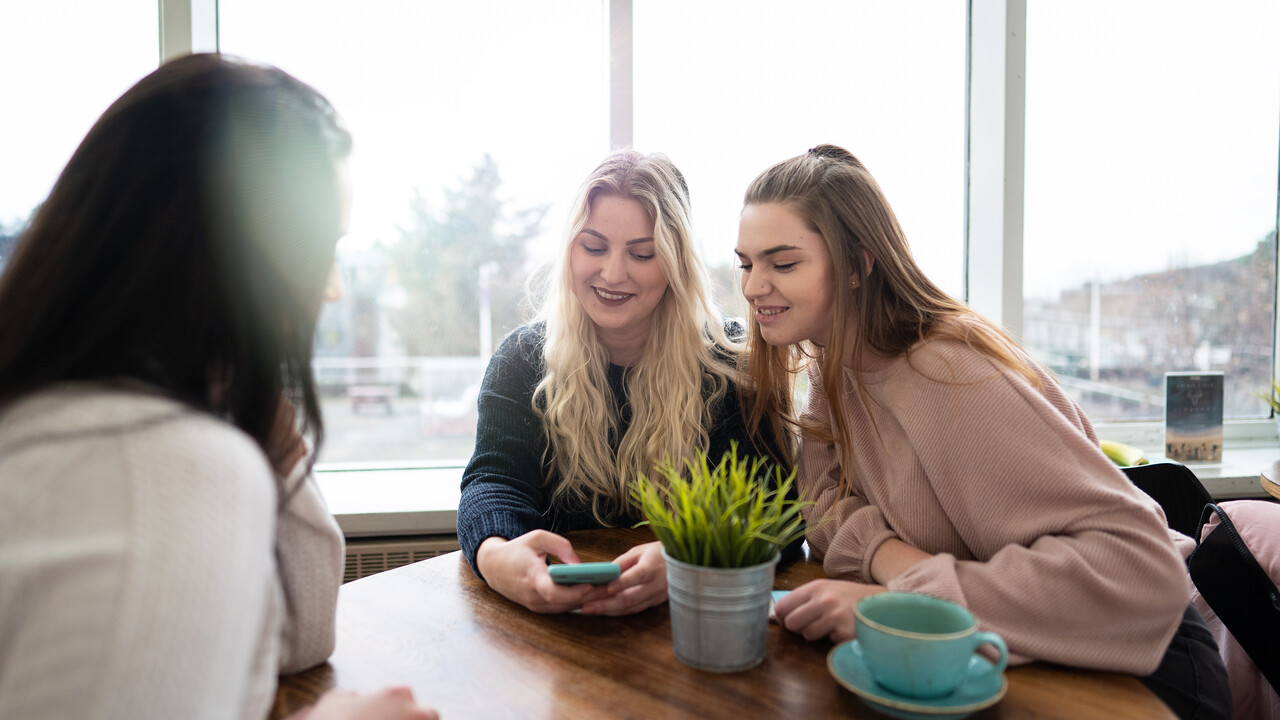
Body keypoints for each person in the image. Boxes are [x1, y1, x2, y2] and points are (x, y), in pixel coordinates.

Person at [0, 54, 434, 720]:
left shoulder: (66, 412)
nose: (333, 289)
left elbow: (301, 634)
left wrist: (256, 408)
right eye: (320, 248)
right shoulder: (163, 469)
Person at [735, 144, 1229, 719]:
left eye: (783, 263)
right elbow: (821, 510)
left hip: (1140, 669)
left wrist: (906, 600)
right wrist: (895, 560)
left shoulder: (944, 371)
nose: (752, 288)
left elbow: (1142, 569)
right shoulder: (835, 364)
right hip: (1002, 650)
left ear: (855, 264)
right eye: (746, 264)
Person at [457, 149, 791, 616]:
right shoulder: (522, 360)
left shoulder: (731, 362)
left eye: (642, 253)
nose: (613, 273)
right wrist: (494, 556)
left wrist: (689, 562)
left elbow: (776, 514)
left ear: (677, 262)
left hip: (696, 625)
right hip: (559, 630)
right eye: (593, 247)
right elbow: (493, 483)